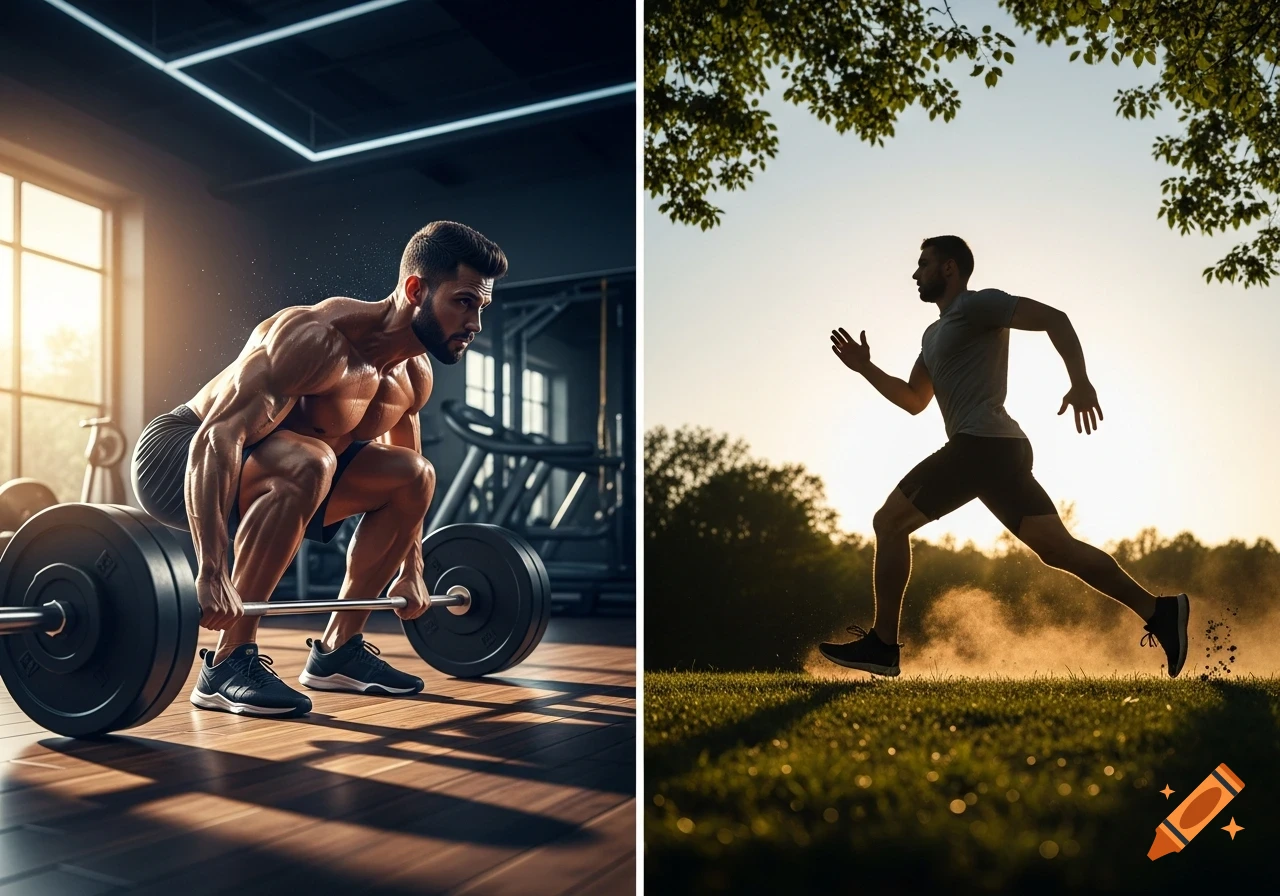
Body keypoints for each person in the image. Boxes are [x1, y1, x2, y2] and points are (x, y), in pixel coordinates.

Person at [131, 221, 507, 717]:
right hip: (180, 454)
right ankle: (226, 664)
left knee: (414, 474)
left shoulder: (414, 375)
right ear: (416, 289)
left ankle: (338, 654)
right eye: (464, 301)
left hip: (286, 466)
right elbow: (218, 436)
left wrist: (412, 569)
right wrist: (211, 571)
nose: (475, 322)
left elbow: (409, 462)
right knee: (311, 459)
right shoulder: (316, 339)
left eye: (482, 307)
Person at [821, 235, 1189, 678]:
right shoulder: (932, 334)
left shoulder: (978, 306)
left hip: (981, 445)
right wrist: (866, 368)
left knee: (889, 522)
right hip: (998, 451)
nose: (915, 273)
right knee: (1059, 550)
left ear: (950, 269)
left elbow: (1055, 318)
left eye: (924, 264)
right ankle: (1160, 611)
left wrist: (1081, 380)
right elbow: (914, 399)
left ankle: (883, 645)